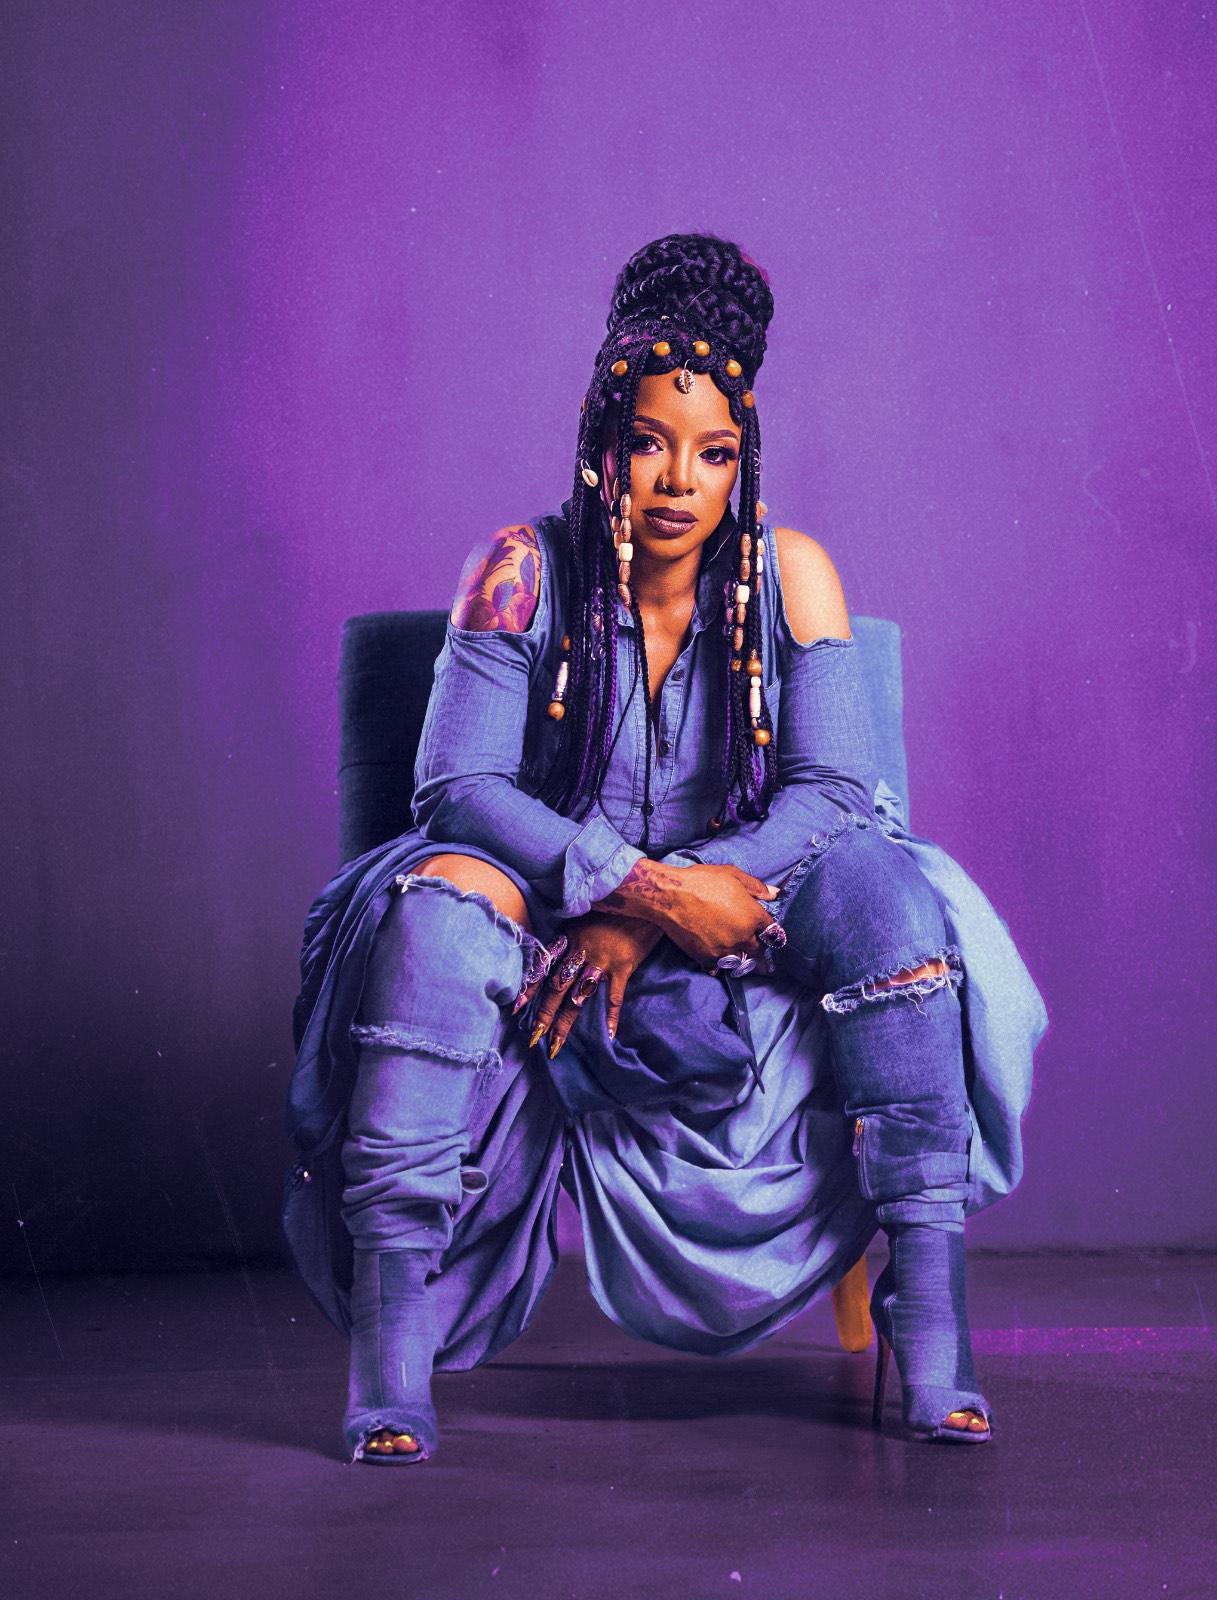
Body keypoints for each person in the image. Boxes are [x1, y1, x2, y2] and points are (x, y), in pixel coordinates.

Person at [283, 232, 1049, 1464]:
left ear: (743, 457)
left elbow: (837, 790)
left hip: (746, 888)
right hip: (540, 897)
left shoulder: (791, 573)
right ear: (602, 440)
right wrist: (623, 881)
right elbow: (455, 785)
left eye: (715, 451)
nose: (679, 480)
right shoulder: (520, 570)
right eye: (649, 441)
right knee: (435, 910)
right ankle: (390, 1341)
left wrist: (664, 904)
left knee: (897, 906)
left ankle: (933, 1310)